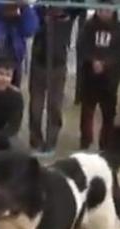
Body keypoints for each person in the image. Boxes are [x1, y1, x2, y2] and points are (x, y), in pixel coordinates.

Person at [28, 2, 84, 155]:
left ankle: (51, 142)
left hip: (58, 65)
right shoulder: (40, 11)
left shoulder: (69, 13)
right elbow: (30, 16)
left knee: (55, 105)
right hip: (39, 62)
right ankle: (36, 141)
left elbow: (81, 5)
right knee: (36, 107)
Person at [76, 2, 120, 151]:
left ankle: (105, 144)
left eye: (108, 10)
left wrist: (106, 63)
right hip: (90, 76)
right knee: (87, 111)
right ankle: (85, 142)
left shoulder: (119, 29)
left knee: (109, 113)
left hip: (110, 79)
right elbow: (82, 46)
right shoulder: (88, 26)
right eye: (102, 10)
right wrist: (92, 60)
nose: (105, 13)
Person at [0, 0, 39, 87]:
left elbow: (30, 29)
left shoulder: (22, 6)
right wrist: (4, 6)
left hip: (14, 61)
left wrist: (24, 7)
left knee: (11, 97)